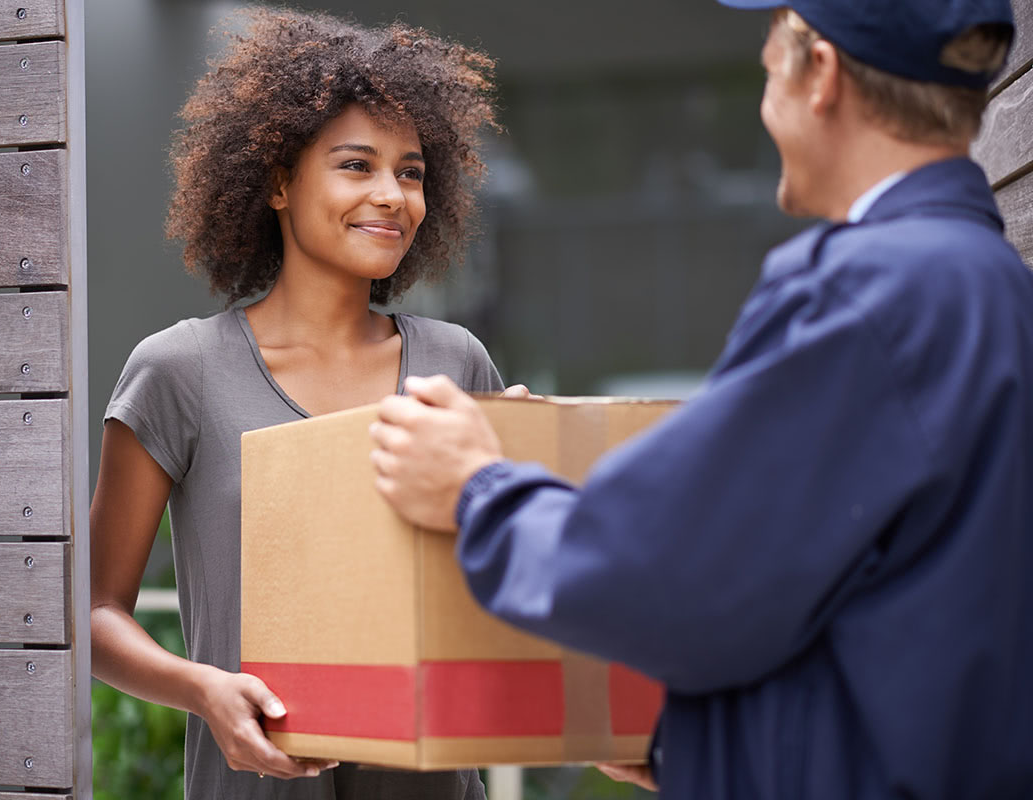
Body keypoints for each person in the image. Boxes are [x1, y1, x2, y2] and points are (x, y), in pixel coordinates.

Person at [369, 1, 1033, 798]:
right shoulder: (991, 285)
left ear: (817, 72)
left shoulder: (868, 291)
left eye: (764, 67)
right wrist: (684, 749)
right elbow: (873, 620)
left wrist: (478, 488)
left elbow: (657, 574)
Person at [90, 8, 518, 799]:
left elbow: (506, 592)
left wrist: (524, 471)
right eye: (357, 166)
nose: (392, 195)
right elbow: (93, 615)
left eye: (412, 171)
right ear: (280, 181)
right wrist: (203, 691)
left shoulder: (454, 366)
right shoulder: (179, 371)